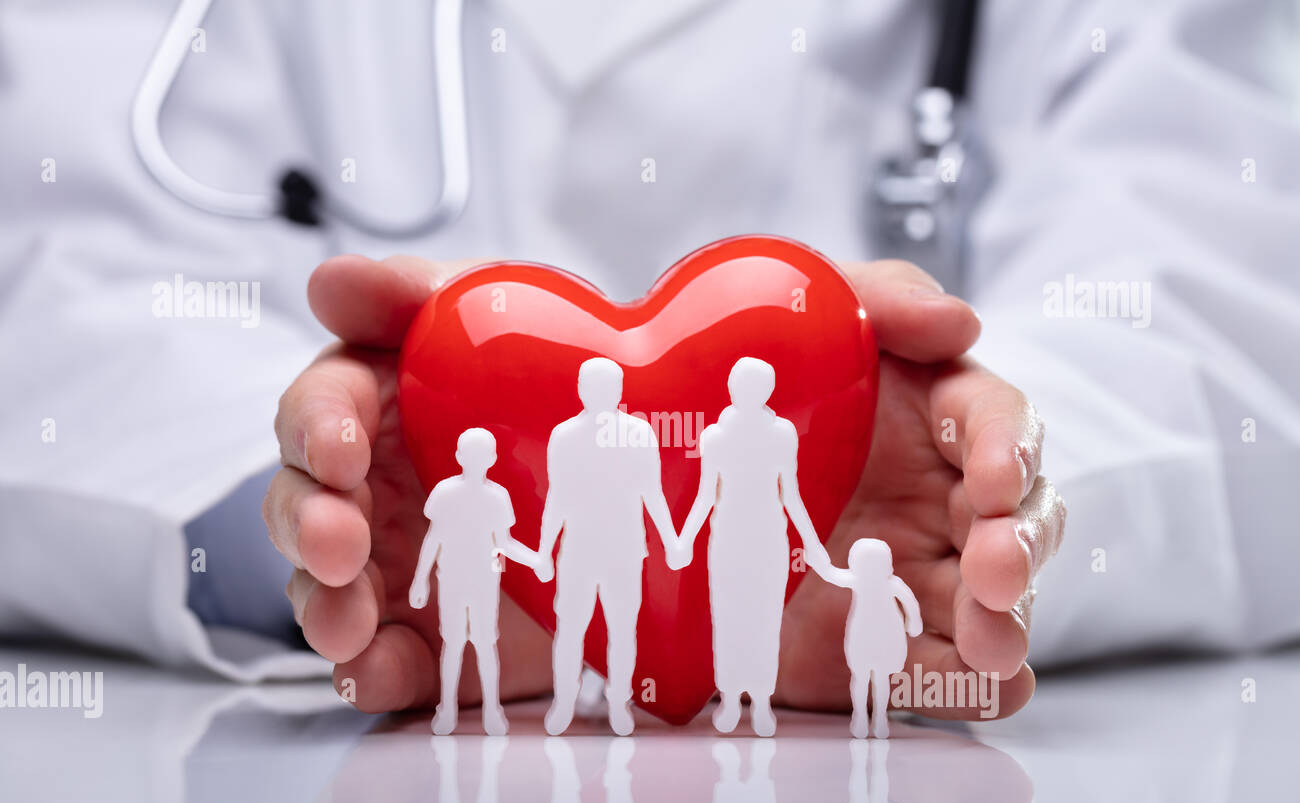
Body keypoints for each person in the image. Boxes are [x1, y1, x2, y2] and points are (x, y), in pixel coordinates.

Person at [4, 2, 1298, 722]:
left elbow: (1224, 285)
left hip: (796, 576)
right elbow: (43, 273)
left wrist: (980, 476)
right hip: (480, 561)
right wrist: (322, 498)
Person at [677, 357, 829, 737]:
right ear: (731, 388)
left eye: (754, 385)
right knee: (727, 618)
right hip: (726, 538)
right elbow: (705, 495)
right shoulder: (714, 437)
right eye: (740, 384)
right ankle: (729, 699)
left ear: (767, 391)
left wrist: (812, 543)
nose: (745, 392)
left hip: (768, 538)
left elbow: (791, 494)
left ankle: (761, 701)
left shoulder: (782, 434)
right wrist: (684, 540)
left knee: (764, 619)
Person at [534, 358, 682, 736]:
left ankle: (619, 703)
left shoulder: (638, 433)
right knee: (571, 627)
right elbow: (558, 497)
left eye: (608, 384)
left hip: (624, 549)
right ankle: (565, 701)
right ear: (581, 388)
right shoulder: (564, 436)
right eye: (593, 384)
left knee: (621, 629)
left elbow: (653, 492)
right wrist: (544, 550)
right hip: (579, 549)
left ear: (619, 390)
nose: (600, 391)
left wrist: (672, 541)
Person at [408, 427, 540, 735]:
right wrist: (420, 580)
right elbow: (434, 537)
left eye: (483, 454)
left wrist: (535, 560)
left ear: (492, 459)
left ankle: (493, 710)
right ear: (459, 457)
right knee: (452, 644)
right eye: (470, 454)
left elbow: (505, 543)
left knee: (484, 644)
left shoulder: (498, 497)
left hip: (484, 581)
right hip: (452, 580)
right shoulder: (444, 492)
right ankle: (447, 709)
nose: (477, 460)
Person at [816, 538, 924, 739]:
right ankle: (860, 717)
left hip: (883, 634)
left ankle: (879, 718)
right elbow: (831, 574)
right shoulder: (859, 580)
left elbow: (909, 602)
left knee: (876, 678)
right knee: (862, 677)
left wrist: (914, 621)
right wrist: (817, 560)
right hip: (863, 635)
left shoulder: (891, 584)